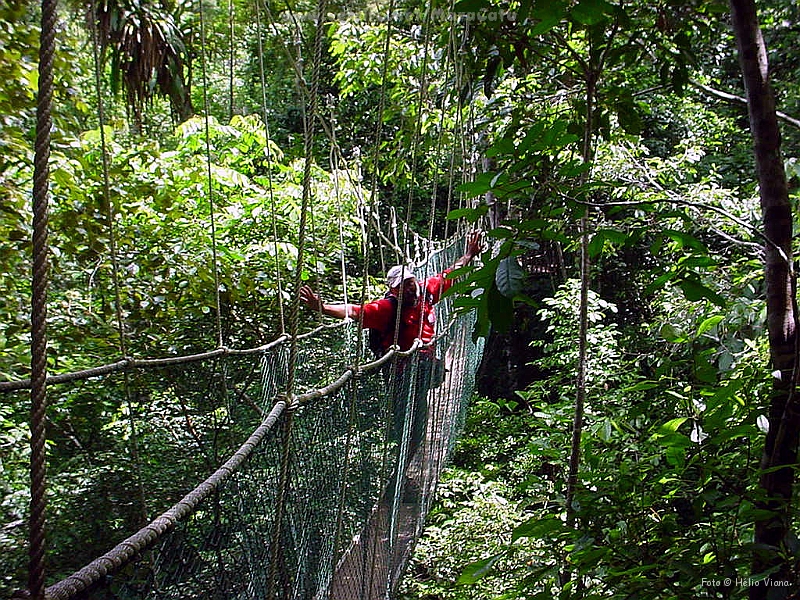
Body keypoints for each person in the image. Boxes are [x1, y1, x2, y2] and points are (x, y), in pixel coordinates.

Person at [299, 231, 482, 471]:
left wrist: (469, 254)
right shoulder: (387, 308)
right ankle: (396, 477)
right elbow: (354, 311)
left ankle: (399, 473)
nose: (408, 289)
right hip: (401, 375)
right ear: (393, 291)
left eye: (410, 283)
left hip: (422, 368)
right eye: (401, 286)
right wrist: (321, 307)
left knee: (416, 425)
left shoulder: (426, 292)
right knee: (411, 428)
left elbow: (450, 273)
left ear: (415, 281)